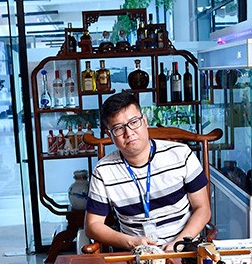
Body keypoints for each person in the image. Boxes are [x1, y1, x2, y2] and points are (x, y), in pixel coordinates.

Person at [85, 91, 211, 250]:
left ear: (145, 121)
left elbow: (203, 209)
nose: (129, 133)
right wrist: (131, 242)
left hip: (184, 248)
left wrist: (177, 245)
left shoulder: (181, 154)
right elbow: (92, 225)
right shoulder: (103, 171)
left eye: (134, 122)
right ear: (109, 135)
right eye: (118, 128)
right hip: (135, 253)